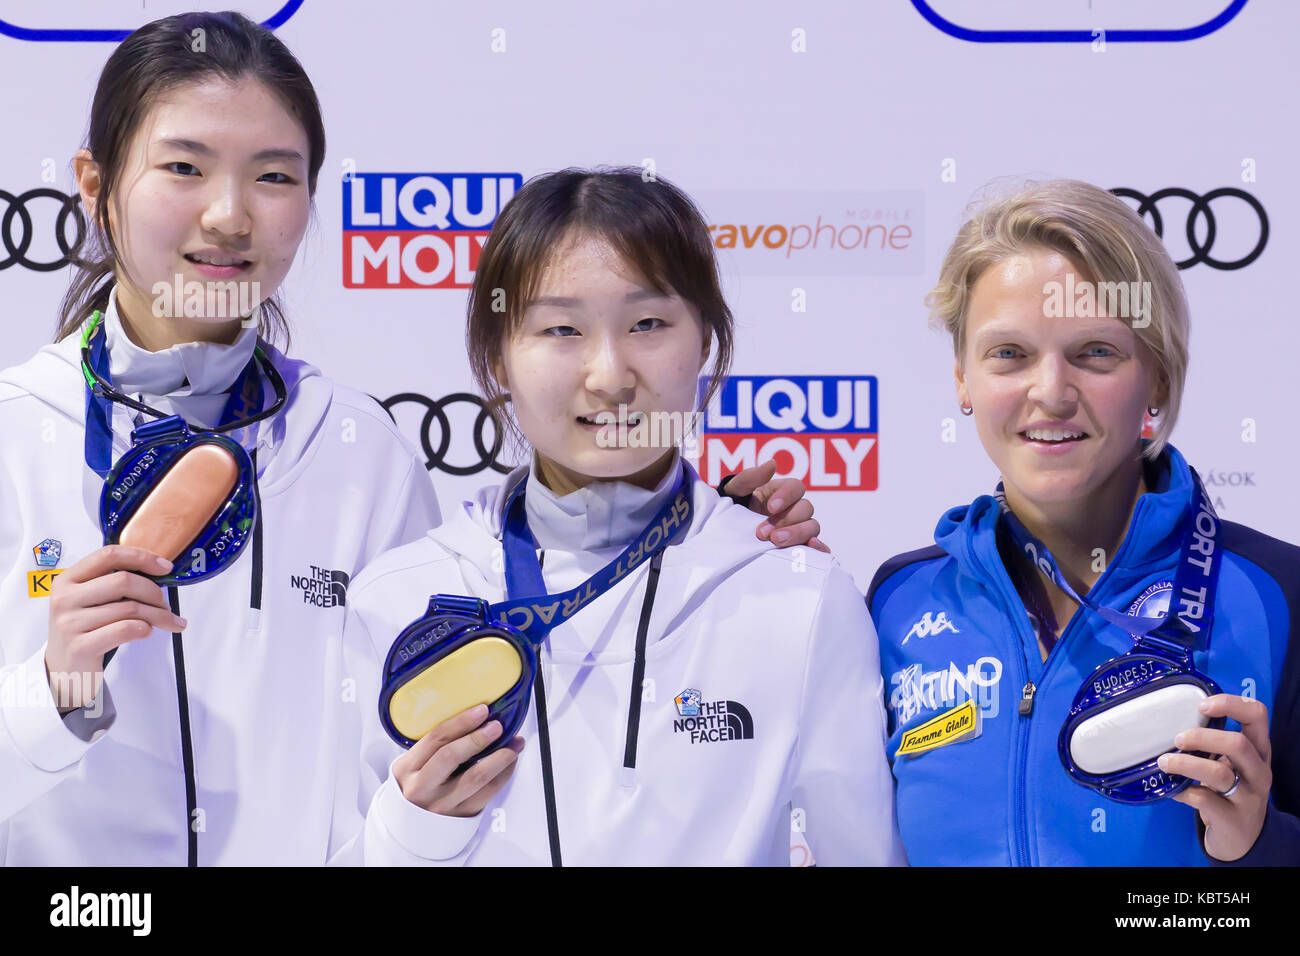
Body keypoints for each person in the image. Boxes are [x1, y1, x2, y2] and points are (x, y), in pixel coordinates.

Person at [0, 12, 810, 867]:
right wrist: (53, 696)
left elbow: (416, 757)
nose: (230, 214)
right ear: (94, 185)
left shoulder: (359, 451)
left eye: (273, 175)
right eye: (183, 168)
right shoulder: (15, 432)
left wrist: (700, 541)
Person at [337, 168, 905, 865]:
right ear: (498, 357)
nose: (609, 374)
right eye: (562, 329)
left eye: (647, 324)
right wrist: (416, 829)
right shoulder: (396, 599)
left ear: (706, 343)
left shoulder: (798, 597)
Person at [867, 179, 1299, 866]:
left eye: (1095, 352)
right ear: (962, 380)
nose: (1052, 392)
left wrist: (1258, 847)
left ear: (1157, 376)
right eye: (1009, 354)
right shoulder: (897, 602)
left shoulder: (1277, 594)